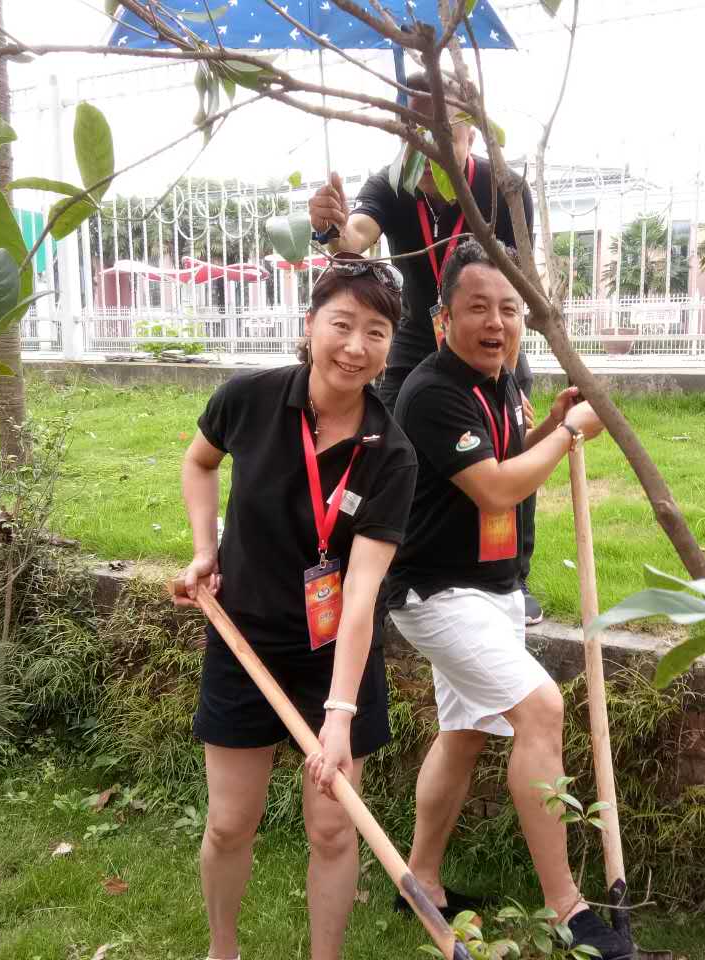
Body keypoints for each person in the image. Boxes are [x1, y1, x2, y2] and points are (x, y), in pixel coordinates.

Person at [386, 238, 632, 960]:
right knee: (541, 708)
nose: (496, 322)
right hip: (435, 592)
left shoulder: (499, 378)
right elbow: (494, 488)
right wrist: (570, 438)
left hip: (493, 588)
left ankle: (422, 881)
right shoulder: (431, 392)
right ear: (443, 318)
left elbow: (503, 453)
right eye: (478, 308)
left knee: (464, 733)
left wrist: (549, 426)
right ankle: (567, 907)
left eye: (510, 309)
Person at [172, 254, 417, 960]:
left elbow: (362, 592)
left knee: (334, 829)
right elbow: (199, 462)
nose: (355, 346)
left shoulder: (391, 454)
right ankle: (222, 950)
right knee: (229, 824)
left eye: (375, 332)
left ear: (389, 346)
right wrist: (205, 549)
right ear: (309, 325)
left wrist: (339, 715)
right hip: (244, 640)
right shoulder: (247, 400)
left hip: (336, 657)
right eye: (342, 324)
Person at [308, 70, 547, 626]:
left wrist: (508, 380)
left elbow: (513, 281)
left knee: (509, 447)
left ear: (472, 130)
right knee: (388, 446)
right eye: (415, 126)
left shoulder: (503, 187)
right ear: (400, 129)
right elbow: (355, 239)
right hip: (419, 336)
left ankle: (515, 575)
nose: (431, 139)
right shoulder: (390, 184)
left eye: (447, 125)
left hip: (488, 337)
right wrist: (331, 229)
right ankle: (392, 565)